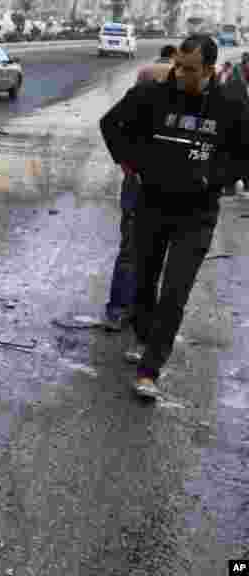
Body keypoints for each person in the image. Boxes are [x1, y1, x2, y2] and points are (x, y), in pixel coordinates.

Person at [99, 34, 249, 398]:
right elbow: (111, 125)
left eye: (190, 69)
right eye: (178, 65)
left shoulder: (231, 104)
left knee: (176, 289)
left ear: (210, 70)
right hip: (151, 203)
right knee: (145, 280)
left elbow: (243, 156)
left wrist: (214, 177)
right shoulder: (153, 94)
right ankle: (143, 334)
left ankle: (150, 369)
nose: (180, 74)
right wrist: (132, 164)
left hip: (197, 213)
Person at [103, 43, 177, 330]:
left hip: (139, 179)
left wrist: (126, 163)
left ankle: (119, 310)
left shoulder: (146, 76)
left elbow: (113, 124)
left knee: (131, 248)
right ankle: (135, 313)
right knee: (151, 252)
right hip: (153, 183)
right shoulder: (171, 85)